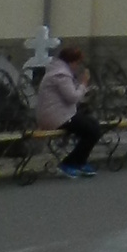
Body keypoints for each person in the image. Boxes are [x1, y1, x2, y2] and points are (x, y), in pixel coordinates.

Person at [36, 43, 101, 177]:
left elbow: (70, 95)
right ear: (71, 62)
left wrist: (81, 87)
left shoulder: (58, 71)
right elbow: (72, 97)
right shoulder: (61, 75)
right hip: (56, 117)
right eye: (77, 63)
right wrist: (83, 84)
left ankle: (80, 161)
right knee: (92, 131)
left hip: (60, 114)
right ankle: (69, 163)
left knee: (94, 125)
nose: (77, 66)